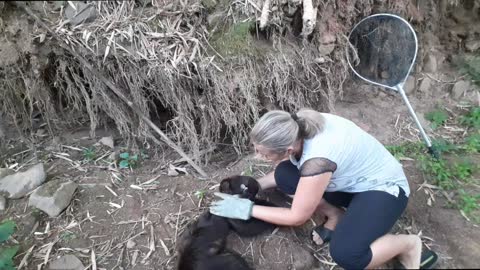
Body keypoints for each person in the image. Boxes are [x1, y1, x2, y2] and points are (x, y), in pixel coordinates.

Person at [210, 108, 438, 269]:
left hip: (384, 190)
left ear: (289, 149)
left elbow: (297, 216)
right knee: (284, 175)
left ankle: (408, 245)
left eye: (262, 152)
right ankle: (336, 215)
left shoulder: (317, 160)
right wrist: (256, 185)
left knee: (348, 255)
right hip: (350, 180)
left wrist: (242, 208)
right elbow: (285, 173)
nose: (257, 156)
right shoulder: (296, 125)